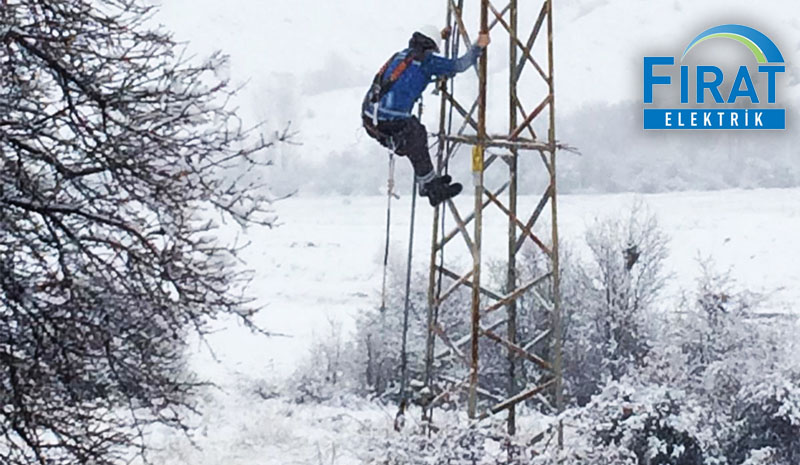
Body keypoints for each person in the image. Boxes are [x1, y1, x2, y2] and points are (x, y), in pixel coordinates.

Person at [362, 26, 490, 206]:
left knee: (413, 133)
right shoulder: (427, 62)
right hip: (388, 122)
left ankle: (427, 181)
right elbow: (458, 66)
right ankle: (430, 187)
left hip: (370, 118)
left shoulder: (401, 56)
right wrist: (479, 47)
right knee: (415, 135)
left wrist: (439, 36)